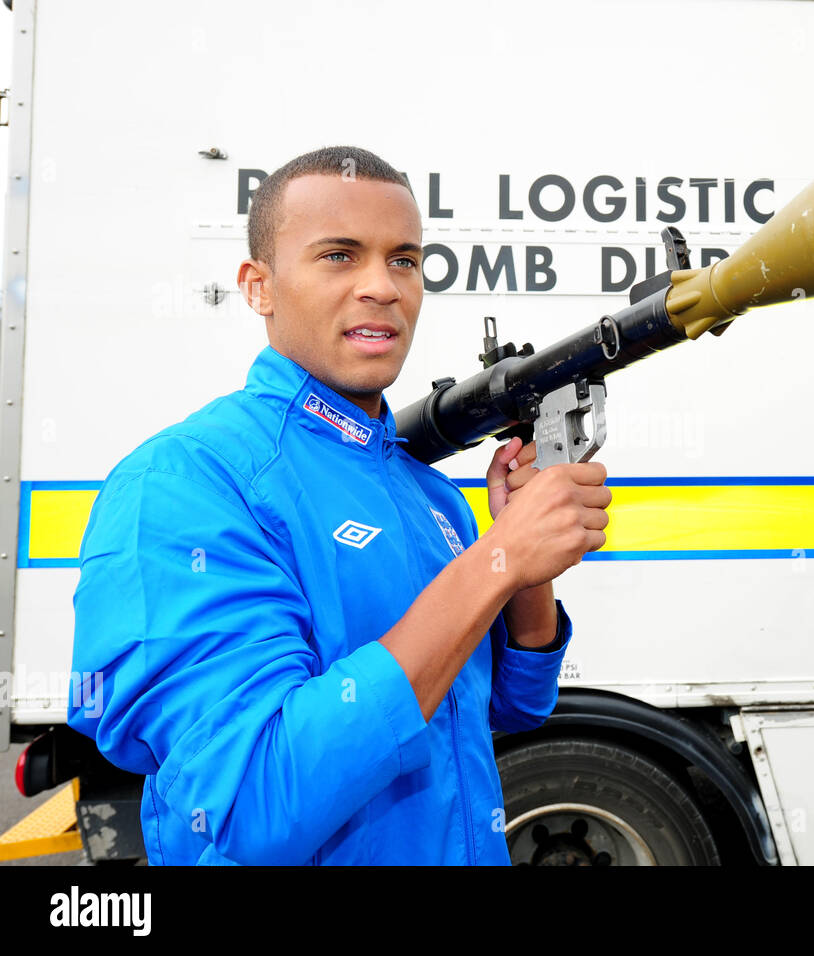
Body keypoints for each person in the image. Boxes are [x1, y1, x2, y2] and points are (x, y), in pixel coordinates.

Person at [66, 146, 612, 865]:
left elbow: (504, 708)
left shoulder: (427, 491)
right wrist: (495, 561)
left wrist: (523, 565)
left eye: (405, 261)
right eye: (338, 256)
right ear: (258, 286)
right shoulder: (184, 480)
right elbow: (250, 803)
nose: (381, 288)